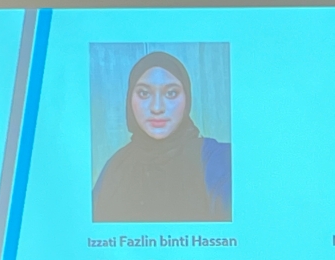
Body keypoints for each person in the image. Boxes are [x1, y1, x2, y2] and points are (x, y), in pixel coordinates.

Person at [93, 51, 232, 222]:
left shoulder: (215, 159)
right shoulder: (115, 168)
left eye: (171, 93)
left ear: (187, 99)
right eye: (144, 93)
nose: (157, 107)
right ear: (130, 100)